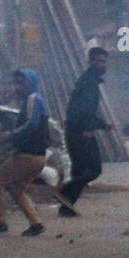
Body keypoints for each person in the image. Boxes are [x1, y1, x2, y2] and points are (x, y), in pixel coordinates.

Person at [0, 68, 48, 236]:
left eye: (21, 83)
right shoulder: (35, 100)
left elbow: (31, 125)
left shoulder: (33, 98)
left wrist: (9, 135)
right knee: (17, 189)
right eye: (16, 83)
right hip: (38, 157)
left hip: (28, 156)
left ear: (30, 83)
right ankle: (36, 224)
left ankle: (0, 223)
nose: (18, 87)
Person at [55, 48, 112, 217]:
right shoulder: (88, 83)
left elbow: (79, 109)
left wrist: (102, 125)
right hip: (80, 132)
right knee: (94, 169)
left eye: (104, 61)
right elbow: (85, 110)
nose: (102, 65)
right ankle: (64, 192)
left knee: (79, 171)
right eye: (98, 61)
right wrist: (88, 129)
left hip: (76, 129)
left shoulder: (89, 81)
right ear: (90, 62)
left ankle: (66, 207)